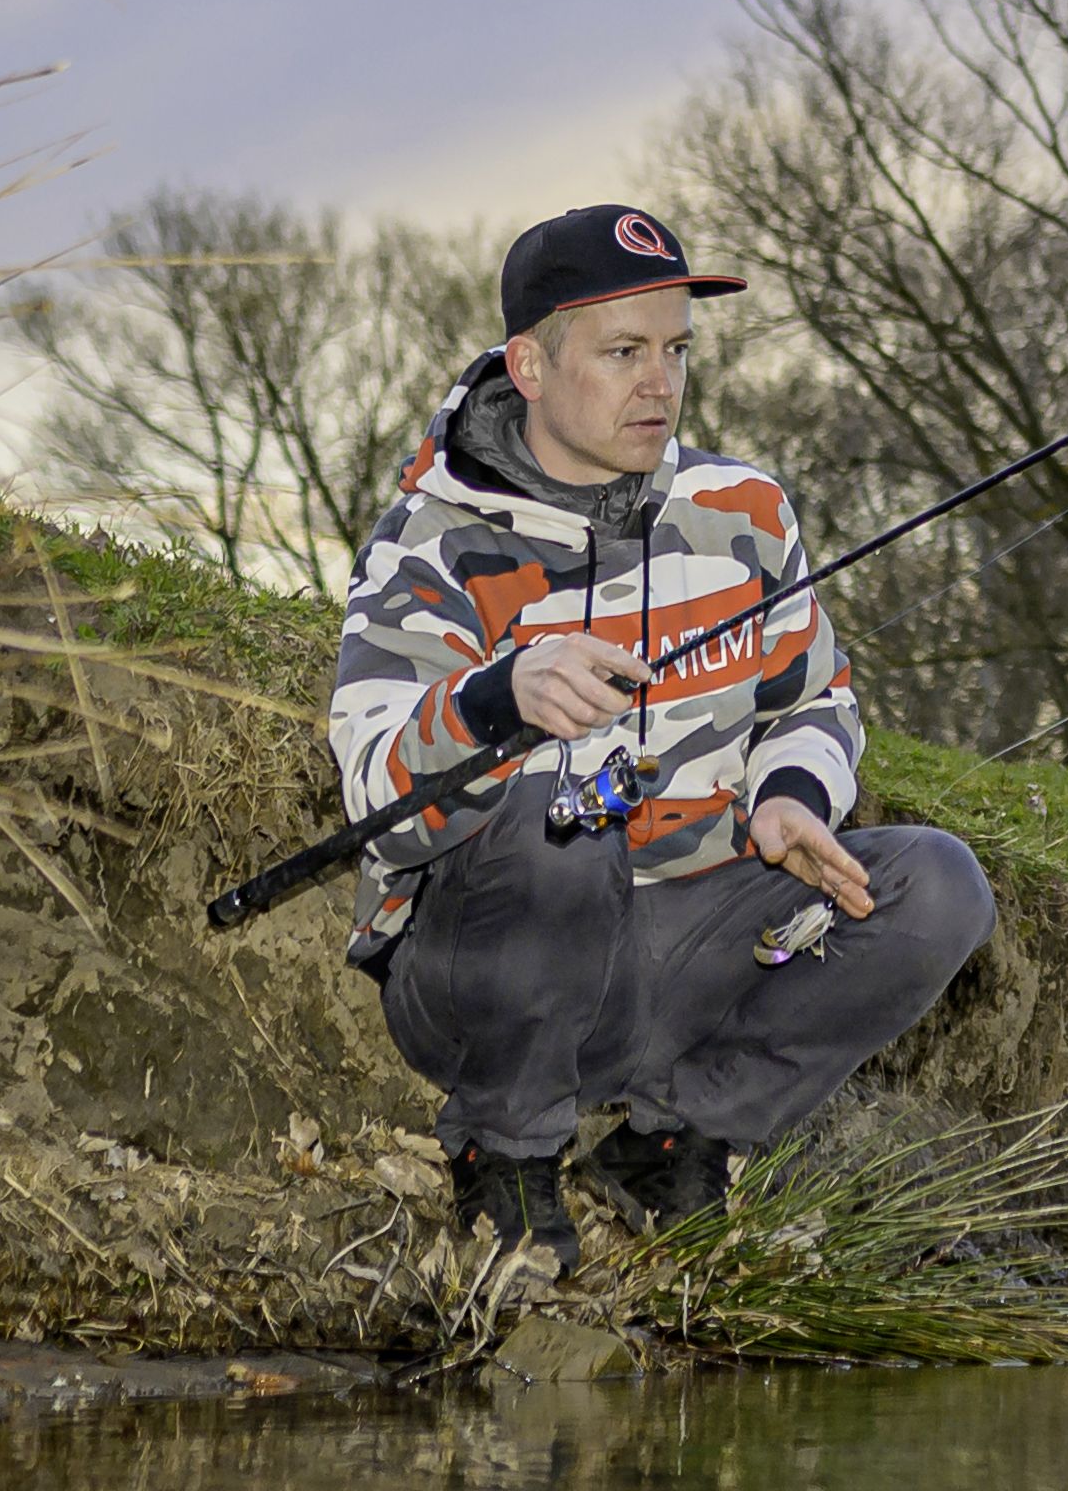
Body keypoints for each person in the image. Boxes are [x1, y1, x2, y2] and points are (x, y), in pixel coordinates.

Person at [331, 202, 994, 1269]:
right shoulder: (430, 541)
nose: (661, 382)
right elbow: (376, 798)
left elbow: (814, 701)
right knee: (560, 823)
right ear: (530, 364)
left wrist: (791, 797)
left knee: (940, 887)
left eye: (677, 350)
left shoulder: (745, 510)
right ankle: (506, 1149)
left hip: (692, 957)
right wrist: (497, 697)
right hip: (482, 982)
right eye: (624, 351)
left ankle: (675, 1139)